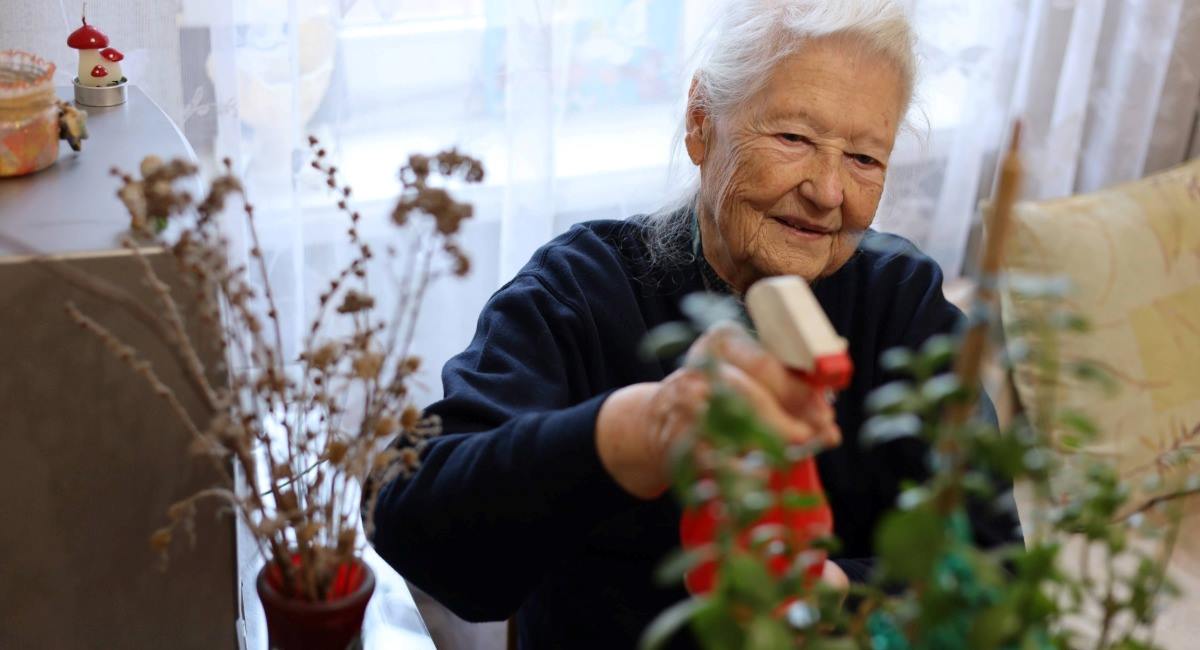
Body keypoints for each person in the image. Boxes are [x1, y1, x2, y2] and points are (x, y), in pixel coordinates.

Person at [370, 1, 1020, 647]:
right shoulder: (582, 290)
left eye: (863, 159)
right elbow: (421, 534)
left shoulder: (899, 300)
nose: (827, 192)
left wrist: (833, 593)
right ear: (701, 122)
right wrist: (634, 434)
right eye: (794, 138)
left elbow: (996, 570)